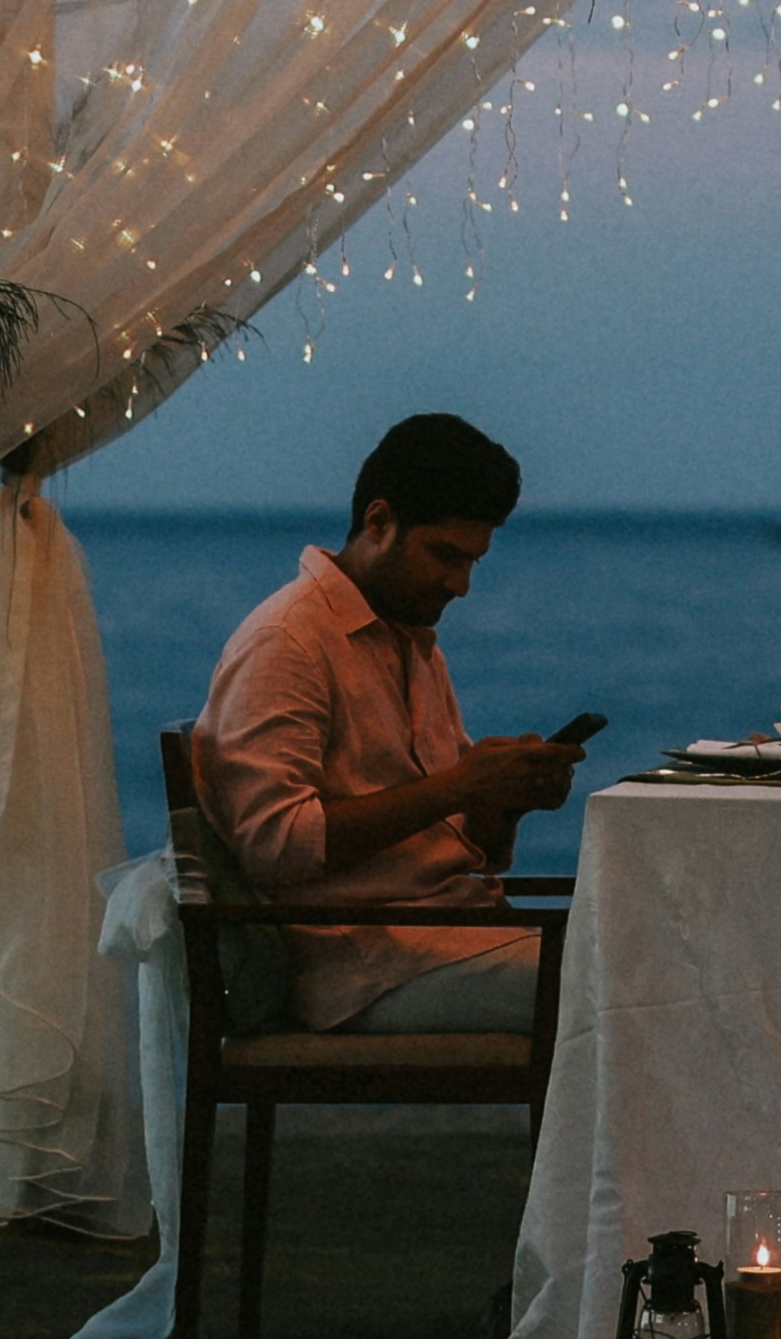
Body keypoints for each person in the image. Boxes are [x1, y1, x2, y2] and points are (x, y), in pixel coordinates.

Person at [192, 412, 593, 1033]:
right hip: (360, 967)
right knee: (633, 990)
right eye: (444, 555)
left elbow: (456, 842)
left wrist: (504, 800)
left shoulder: (410, 640)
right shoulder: (289, 641)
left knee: (658, 964)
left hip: (453, 935)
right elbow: (276, 848)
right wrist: (461, 785)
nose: (459, 585)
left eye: (472, 563)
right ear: (379, 523)